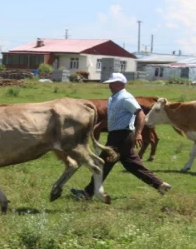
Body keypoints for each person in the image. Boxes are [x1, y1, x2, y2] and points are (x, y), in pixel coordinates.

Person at [71, 72, 171, 200]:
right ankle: (160, 185)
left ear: (120, 84)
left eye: (112, 83)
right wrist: (99, 126)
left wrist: (139, 133)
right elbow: (112, 116)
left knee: (103, 164)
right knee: (132, 165)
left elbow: (140, 115)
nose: (109, 85)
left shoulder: (126, 98)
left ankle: (86, 194)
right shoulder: (113, 98)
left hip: (122, 136)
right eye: (109, 83)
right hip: (116, 136)